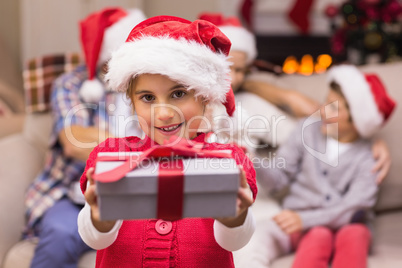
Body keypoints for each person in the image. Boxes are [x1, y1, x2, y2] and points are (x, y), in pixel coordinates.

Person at [77, 15, 258, 267]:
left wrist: (235, 219)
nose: (163, 113)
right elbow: (93, 237)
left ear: (204, 97)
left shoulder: (226, 160)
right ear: (132, 103)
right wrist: (101, 222)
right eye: (148, 98)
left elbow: (236, 241)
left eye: (178, 94)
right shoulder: (112, 156)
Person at [198, 12, 391, 183]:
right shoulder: (181, 102)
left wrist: (365, 140)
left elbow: (305, 133)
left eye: (240, 70)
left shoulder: (248, 105)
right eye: (227, 67)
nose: (233, 77)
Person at [23, 7, 146, 267]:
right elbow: (75, 141)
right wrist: (142, 150)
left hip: (139, 195)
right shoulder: (71, 84)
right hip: (73, 195)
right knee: (60, 234)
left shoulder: (151, 84)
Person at [256, 64, 396, 268]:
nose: (322, 110)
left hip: (342, 223)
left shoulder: (370, 156)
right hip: (303, 224)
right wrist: (251, 160)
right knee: (318, 234)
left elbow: (353, 207)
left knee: (355, 232)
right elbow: (277, 179)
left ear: (356, 120)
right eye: (325, 102)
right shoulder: (306, 130)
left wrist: (306, 219)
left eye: (333, 107)